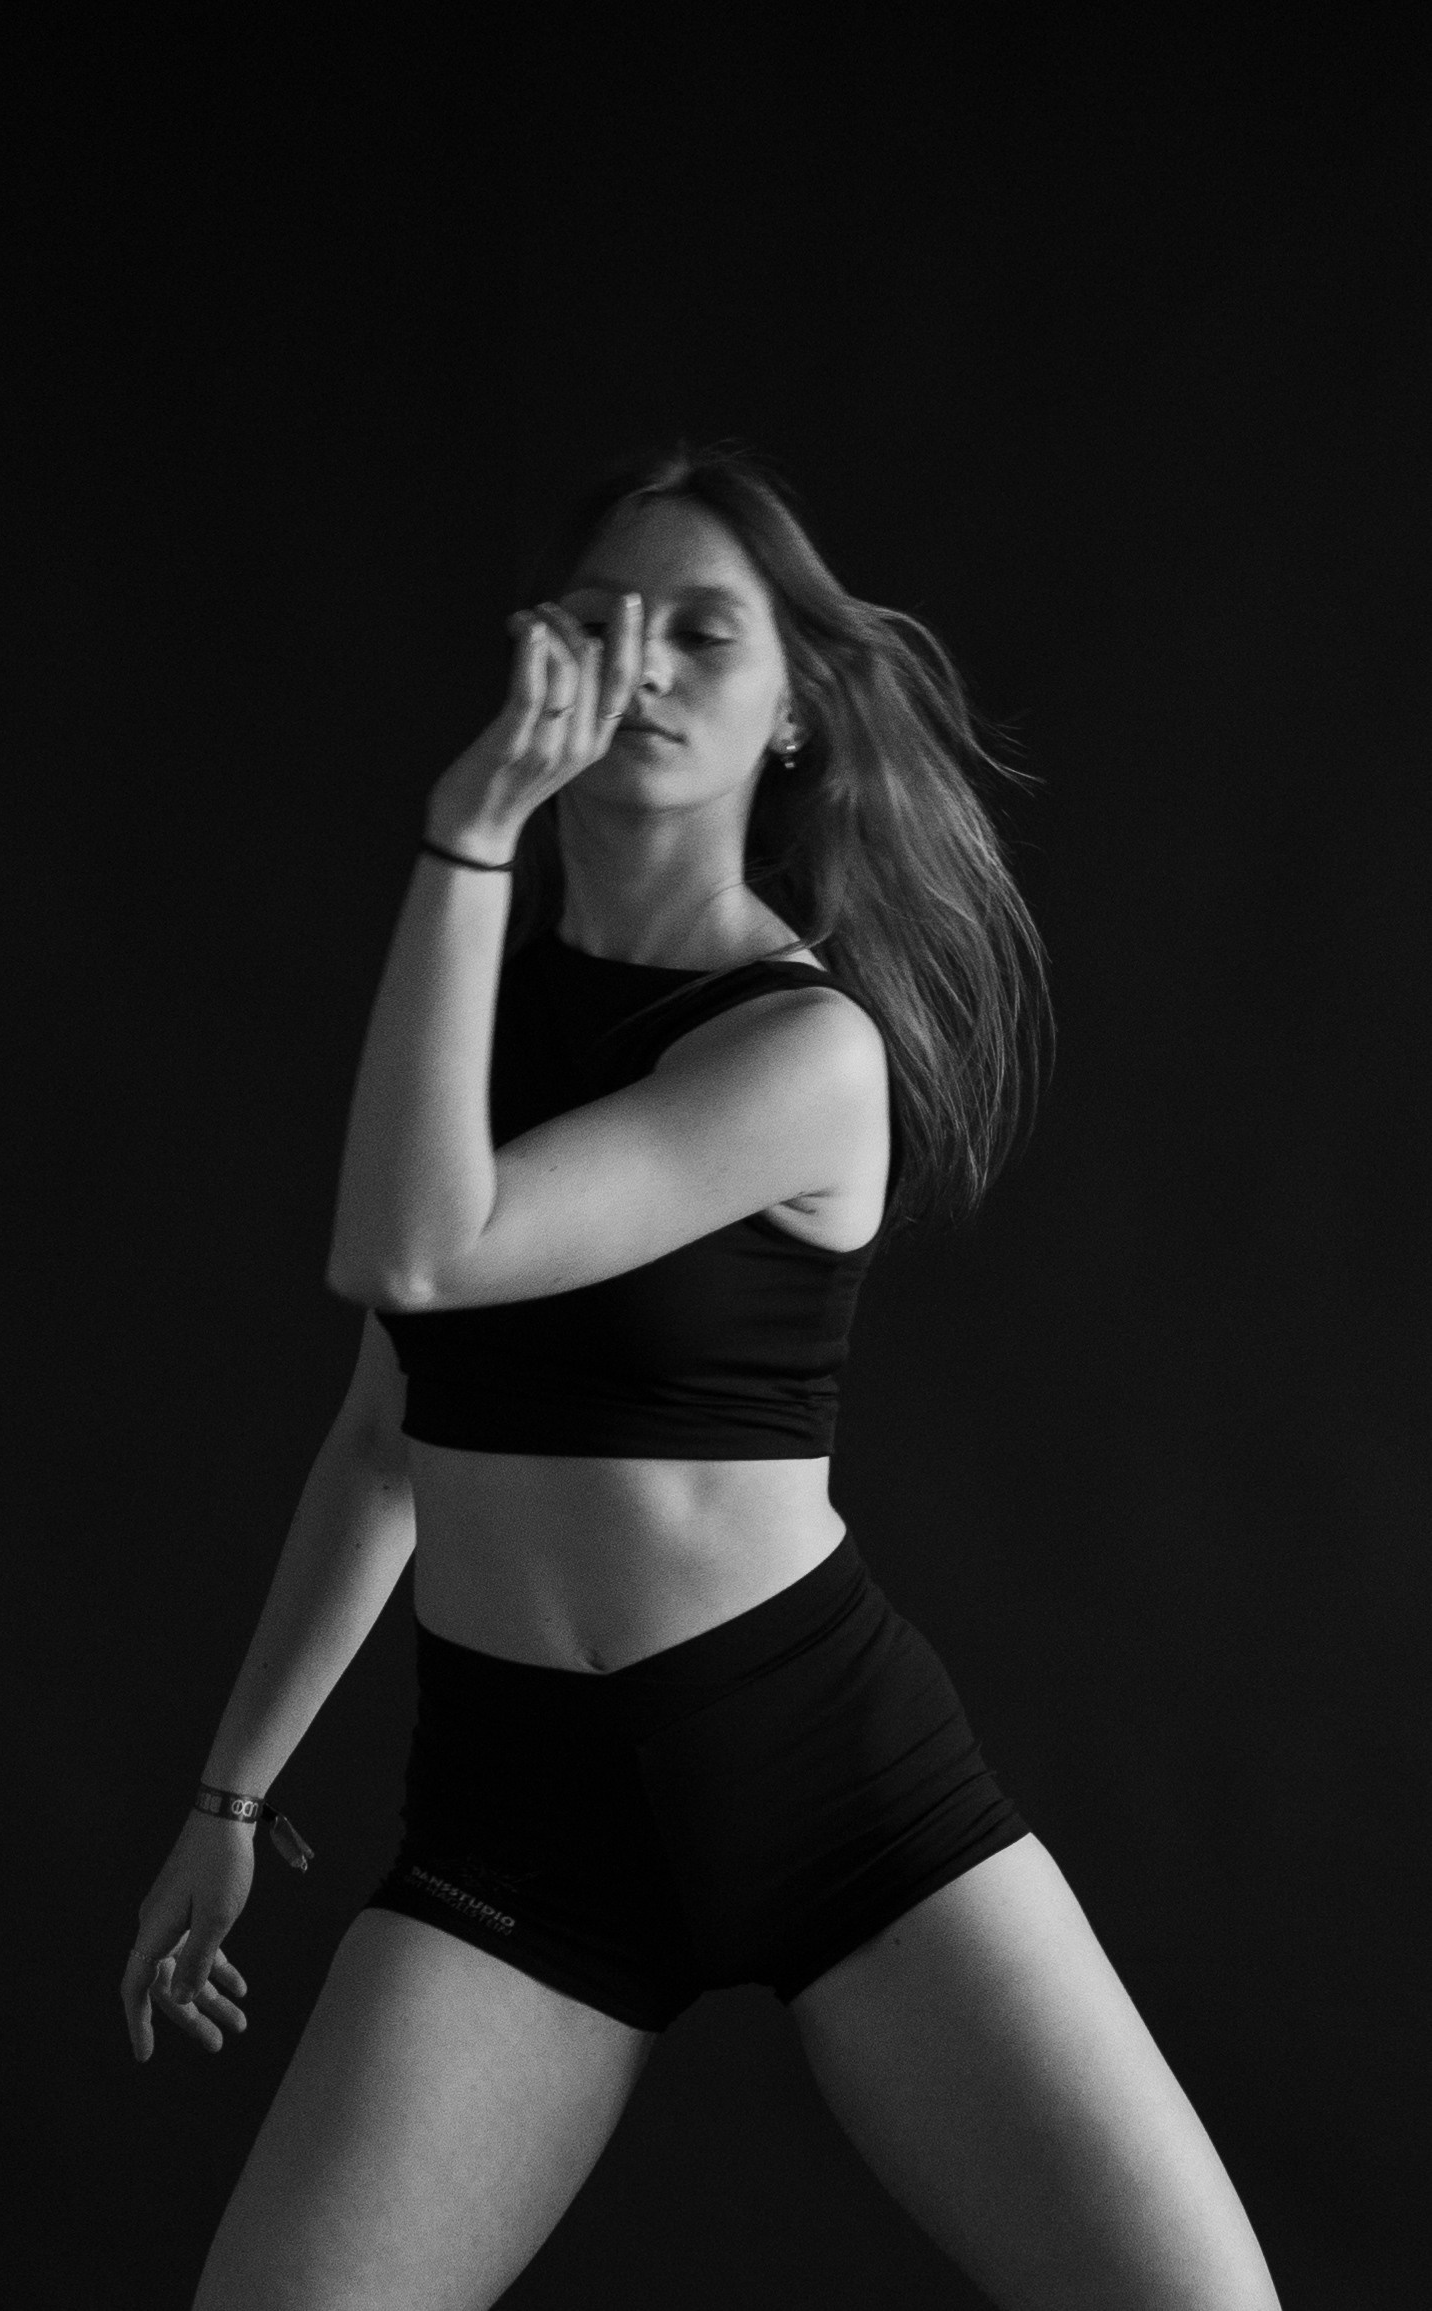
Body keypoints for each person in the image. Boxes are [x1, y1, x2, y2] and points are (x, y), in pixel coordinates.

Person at [123, 440, 1282, 2309]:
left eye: (701, 632)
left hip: (816, 1771)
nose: (641, 664)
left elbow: (417, 1250)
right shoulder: (465, 1014)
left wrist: (468, 829)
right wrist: (228, 1799)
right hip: (518, 1818)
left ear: (794, 707)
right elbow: (384, 1431)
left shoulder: (800, 1049)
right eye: (600, 623)